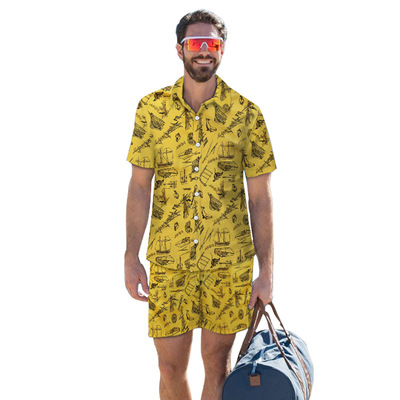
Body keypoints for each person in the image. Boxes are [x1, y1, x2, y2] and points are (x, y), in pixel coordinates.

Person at [124, 9, 277, 400]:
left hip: (228, 264)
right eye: (195, 43)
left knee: (217, 364)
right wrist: (130, 255)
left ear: (222, 50)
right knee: (169, 368)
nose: (204, 51)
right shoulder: (151, 110)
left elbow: (260, 199)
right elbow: (139, 187)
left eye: (212, 43)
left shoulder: (247, 115)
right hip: (168, 260)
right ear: (180, 50)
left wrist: (266, 272)